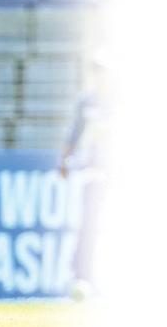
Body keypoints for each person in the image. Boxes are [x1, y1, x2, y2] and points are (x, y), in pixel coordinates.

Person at [59, 48, 113, 299]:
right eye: (96, 70)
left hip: (118, 171)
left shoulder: (123, 99)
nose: (99, 75)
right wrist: (64, 160)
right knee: (88, 226)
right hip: (93, 171)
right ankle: (82, 276)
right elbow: (75, 133)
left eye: (103, 70)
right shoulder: (86, 101)